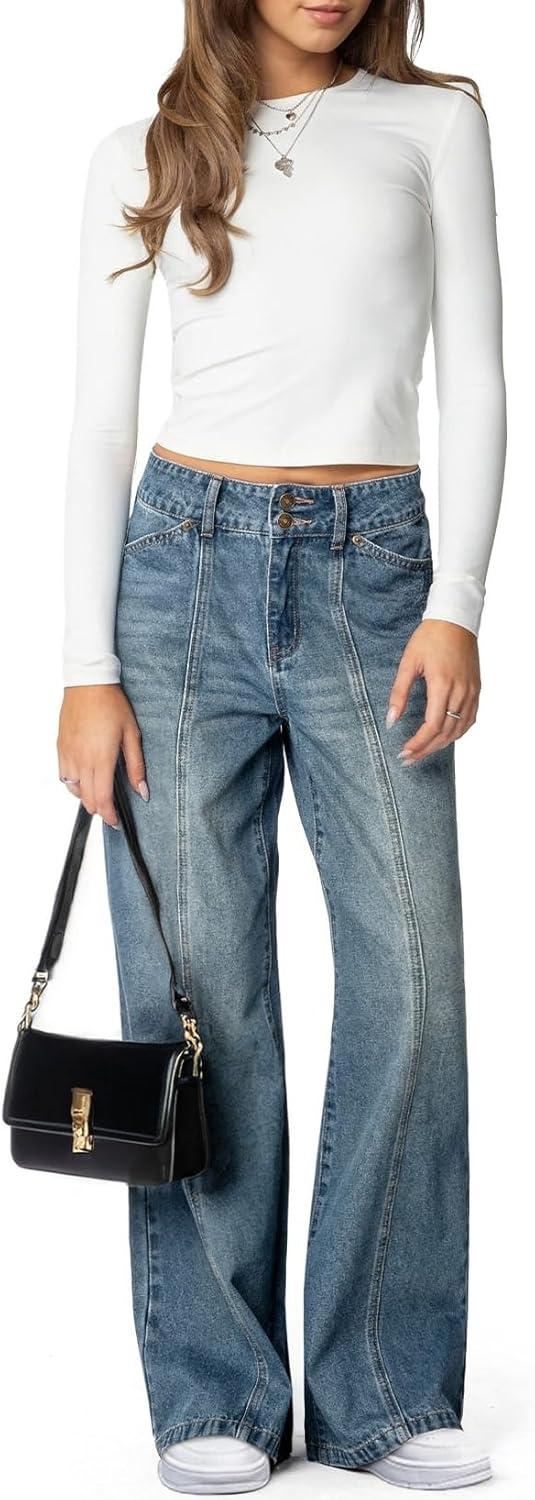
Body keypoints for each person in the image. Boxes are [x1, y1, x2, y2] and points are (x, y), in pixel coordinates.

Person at [57, 1, 506, 1493]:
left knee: (415, 977)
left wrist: (456, 603)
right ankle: (218, 1388)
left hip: (378, 574)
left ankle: (382, 1387)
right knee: (200, 994)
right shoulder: (146, 148)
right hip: (179, 572)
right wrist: (85, 669)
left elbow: (478, 380)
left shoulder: (436, 123)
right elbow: (98, 424)